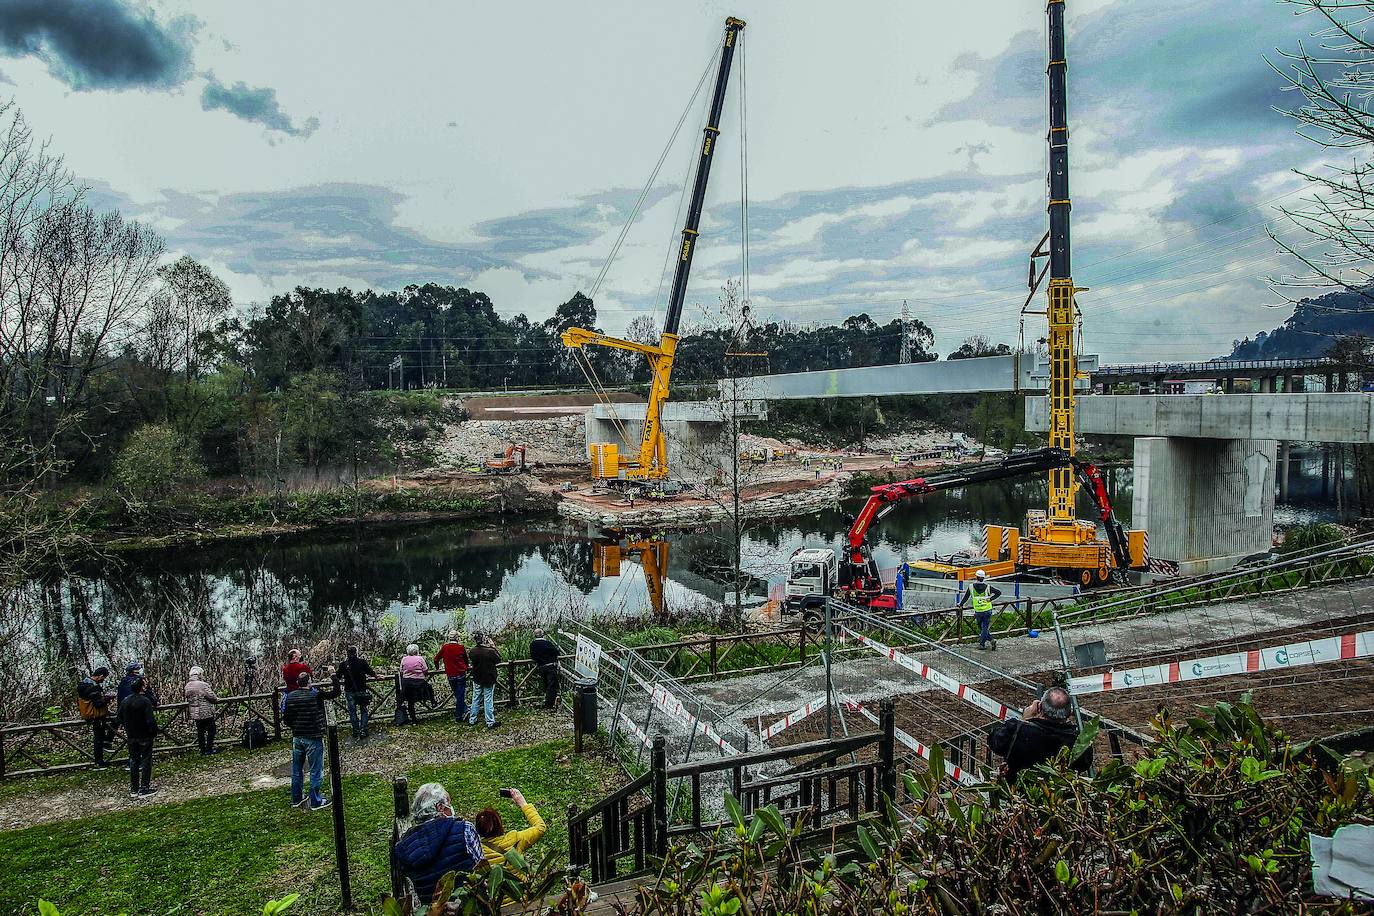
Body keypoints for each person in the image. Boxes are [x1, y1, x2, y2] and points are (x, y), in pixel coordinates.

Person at [394, 782, 483, 903]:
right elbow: (482, 868)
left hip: (433, 911)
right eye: (449, 804)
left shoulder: (404, 846)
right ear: (440, 807)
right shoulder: (464, 829)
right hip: (470, 905)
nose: (451, 807)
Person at [988, 685, 1091, 781]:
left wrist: (1025, 719)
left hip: (1017, 793)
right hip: (1060, 796)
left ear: (1039, 707)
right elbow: (1084, 765)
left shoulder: (1016, 729)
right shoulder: (1078, 742)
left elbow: (994, 743)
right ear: (1069, 713)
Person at [281, 671, 341, 810]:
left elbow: (286, 719)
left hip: (297, 736)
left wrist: (295, 727)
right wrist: (333, 675)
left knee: (297, 769)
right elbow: (336, 692)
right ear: (309, 682)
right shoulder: (316, 695)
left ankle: (296, 799)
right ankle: (316, 800)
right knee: (315, 770)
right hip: (313, 736)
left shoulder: (290, 696)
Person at [476, 787, 546, 872]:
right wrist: (523, 803)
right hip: (521, 884)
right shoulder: (514, 839)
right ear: (500, 825)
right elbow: (540, 828)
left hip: (496, 885)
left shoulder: (477, 850)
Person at [118, 677, 159, 797]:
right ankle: (144, 788)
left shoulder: (125, 701)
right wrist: (154, 732)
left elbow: (118, 718)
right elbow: (150, 720)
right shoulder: (145, 701)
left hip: (131, 735)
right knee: (146, 761)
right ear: (142, 687)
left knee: (134, 761)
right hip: (144, 735)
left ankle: (134, 788)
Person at [77, 666, 117, 769]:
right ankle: (99, 762)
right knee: (98, 739)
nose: (103, 680)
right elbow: (98, 704)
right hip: (96, 716)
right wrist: (108, 698)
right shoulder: (93, 688)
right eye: (104, 678)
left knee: (99, 738)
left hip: (90, 715)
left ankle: (101, 756)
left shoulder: (83, 685)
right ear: (100, 676)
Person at [958, 570, 1003, 650]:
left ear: (976, 577)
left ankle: (982, 644)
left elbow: (966, 597)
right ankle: (991, 640)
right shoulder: (988, 587)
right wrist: (991, 599)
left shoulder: (971, 587)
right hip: (987, 609)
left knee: (981, 626)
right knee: (984, 627)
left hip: (978, 611)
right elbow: (998, 592)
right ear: (983, 578)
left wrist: (960, 604)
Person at [338, 645, 377, 739]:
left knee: (352, 712)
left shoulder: (344, 664)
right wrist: (377, 676)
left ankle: (356, 731)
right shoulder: (362, 662)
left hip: (349, 691)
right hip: (362, 690)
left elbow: (338, 676)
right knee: (364, 710)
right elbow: (370, 672)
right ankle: (364, 730)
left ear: (347, 654)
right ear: (356, 653)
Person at [184, 666, 221, 755]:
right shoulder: (202, 684)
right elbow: (212, 697)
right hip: (205, 712)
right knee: (212, 729)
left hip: (195, 713)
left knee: (200, 731)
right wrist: (217, 700)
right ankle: (209, 748)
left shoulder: (187, 685)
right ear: (199, 674)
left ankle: (202, 749)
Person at [434, 631, 470, 723]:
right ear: (457, 638)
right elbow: (466, 659)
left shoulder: (445, 647)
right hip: (461, 674)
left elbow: (436, 659)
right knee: (460, 695)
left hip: (450, 675)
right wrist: (467, 667)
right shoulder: (460, 647)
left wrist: (437, 668)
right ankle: (459, 716)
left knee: (458, 695)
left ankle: (465, 710)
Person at [467, 632, 500, 729]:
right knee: (488, 700)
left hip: (477, 677)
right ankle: (490, 721)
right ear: (483, 640)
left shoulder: (472, 651)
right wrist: (493, 647)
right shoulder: (490, 651)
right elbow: (498, 659)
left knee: (475, 698)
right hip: (489, 678)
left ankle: (472, 719)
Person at [528, 630, 559, 710]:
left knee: (546, 684)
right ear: (542, 635)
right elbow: (556, 652)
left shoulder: (533, 645)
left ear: (534, 635)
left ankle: (547, 701)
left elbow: (533, 655)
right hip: (551, 666)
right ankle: (549, 704)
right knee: (551, 685)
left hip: (541, 667)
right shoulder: (548, 643)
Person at [400, 644, 430, 725]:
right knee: (429, 688)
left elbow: (401, 671)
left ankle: (414, 720)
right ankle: (433, 702)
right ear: (417, 651)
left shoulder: (404, 659)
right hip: (419, 683)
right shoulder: (420, 658)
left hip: (407, 683)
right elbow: (425, 670)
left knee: (410, 702)